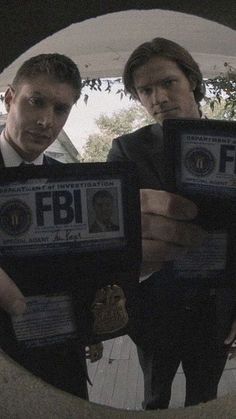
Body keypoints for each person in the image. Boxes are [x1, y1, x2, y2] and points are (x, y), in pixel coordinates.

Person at [107, 38, 236, 409]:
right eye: (145, 90)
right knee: (154, 397)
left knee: (205, 398)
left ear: (192, 80)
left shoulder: (231, 142)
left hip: (217, 308)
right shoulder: (127, 149)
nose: (157, 98)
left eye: (168, 83)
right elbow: (120, 229)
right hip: (153, 310)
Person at [0, 53, 101, 399]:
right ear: (10, 98)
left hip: (63, 361)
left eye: (60, 109)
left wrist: (91, 325)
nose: (46, 121)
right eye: (36, 101)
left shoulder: (71, 181)